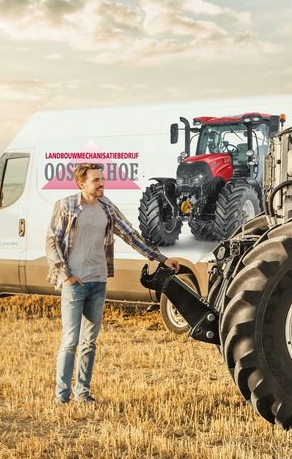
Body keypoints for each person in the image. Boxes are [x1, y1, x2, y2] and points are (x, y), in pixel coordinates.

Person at [45, 162, 180, 404]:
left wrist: (161, 258)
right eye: (96, 180)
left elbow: (130, 235)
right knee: (70, 340)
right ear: (81, 183)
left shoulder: (107, 208)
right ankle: (61, 396)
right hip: (74, 283)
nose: (102, 183)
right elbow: (52, 241)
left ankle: (82, 393)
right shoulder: (66, 206)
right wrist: (66, 275)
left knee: (89, 342)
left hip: (98, 281)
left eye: (102, 179)